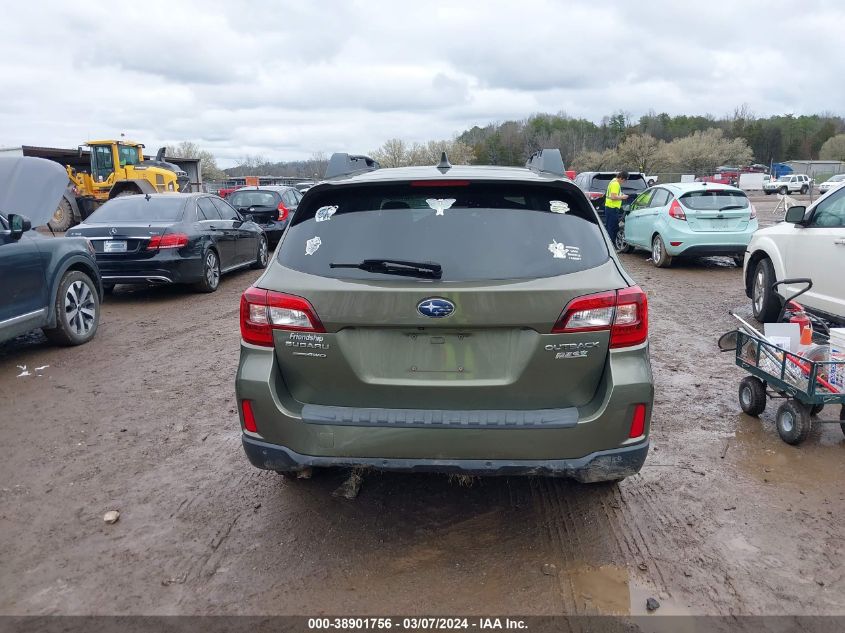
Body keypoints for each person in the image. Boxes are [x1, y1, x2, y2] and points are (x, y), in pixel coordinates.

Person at [604, 171, 628, 245]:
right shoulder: (616, 184)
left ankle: (609, 244)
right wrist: (623, 197)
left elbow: (614, 194)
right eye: (624, 180)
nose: (623, 182)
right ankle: (611, 245)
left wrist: (620, 194)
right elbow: (613, 197)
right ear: (621, 178)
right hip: (612, 208)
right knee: (612, 228)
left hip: (610, 207)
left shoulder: (613, 181)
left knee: (610, 227)